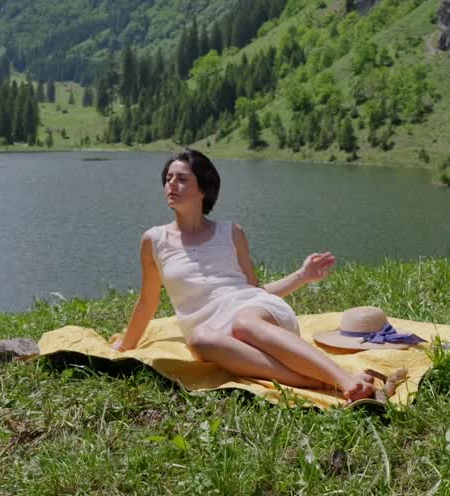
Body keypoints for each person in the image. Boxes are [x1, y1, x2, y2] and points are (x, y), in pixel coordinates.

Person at [112, 149, 379, 401]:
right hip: (213, 333)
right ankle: (316, 381)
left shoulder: (231, 232)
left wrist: (302, 275)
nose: (171, 185)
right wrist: (125, 346)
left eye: (182, 179)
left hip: (256, 313)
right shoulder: (154, 240)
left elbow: (254, 291)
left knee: (244, 322)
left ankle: (343, 380)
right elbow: (148, 301)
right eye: (168, 178)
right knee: (198, 340)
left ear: (203, 189)